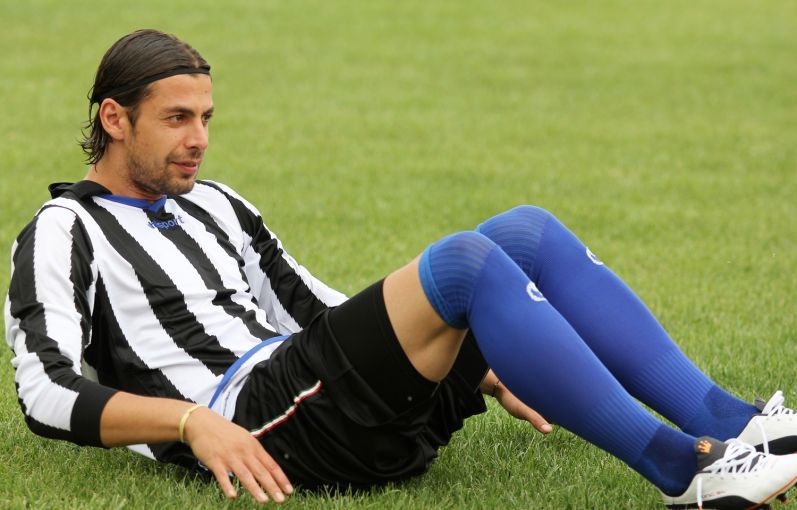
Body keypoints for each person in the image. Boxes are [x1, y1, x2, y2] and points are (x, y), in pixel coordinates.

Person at [5, 29, 797, 509]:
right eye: (177, 119)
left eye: (206, 118)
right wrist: (188, 423)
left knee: (522, 234)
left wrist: (474, 360)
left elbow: (311, 306)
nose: (199, 139)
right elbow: (44, 392)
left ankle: (734, 425)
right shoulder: (64, 231)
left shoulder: (214, 202)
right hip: (255, 423)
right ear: (114, 118)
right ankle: (681, 473)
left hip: (315, 391)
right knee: (462, 262)